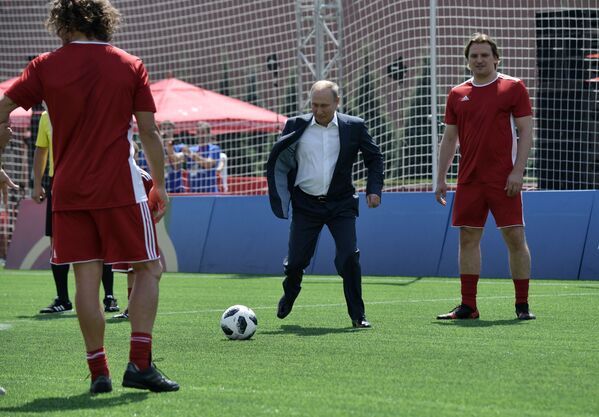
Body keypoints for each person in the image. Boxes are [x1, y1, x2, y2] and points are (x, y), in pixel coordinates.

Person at [0, 0, 178, 394]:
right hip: (118, 187)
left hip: (68, 190)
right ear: (102, 21)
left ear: (62, 24)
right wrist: (161, 184)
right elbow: (148, 132)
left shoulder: (44, 65)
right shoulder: (130, 64)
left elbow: (2, 111)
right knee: (148, 269)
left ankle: (99, 371)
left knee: (86, 279)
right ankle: (140, 365)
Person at [266, 80, 384, 328]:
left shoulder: (354, 127)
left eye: (325, 105)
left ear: (337, 103)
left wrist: (374, 190)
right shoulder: (295, 125)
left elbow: (374, 158)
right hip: (305, 204)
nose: (319, 110)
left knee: (349, 257)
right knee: (297, 261)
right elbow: (281, 158)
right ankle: (290, 292)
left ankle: (358, 315)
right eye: (315, 105)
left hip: (341, 204)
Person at [435, 33, 535, 321]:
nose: (479, 60)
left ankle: (522, 305)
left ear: (496, 58)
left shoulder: (513, 87)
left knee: (515, 237)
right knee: (467, 238)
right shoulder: (457, 94)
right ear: (467, 61)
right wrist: (441, 178)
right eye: (474, 56)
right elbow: (449, 138)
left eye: (484, 55)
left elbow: (526, 131)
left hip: (504, 180)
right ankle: (469, 306)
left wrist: (518, 171)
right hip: (469, 180)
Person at [32, 109, 120, 314]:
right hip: (60, 183)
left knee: (101, 238)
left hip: (92, 180)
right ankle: (63, 298)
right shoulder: (46, 117)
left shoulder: (86, 108)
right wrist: (37, 184)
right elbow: (41, 150)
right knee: (56, 241)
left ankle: (109, 296)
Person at [112, 168, 154, 320]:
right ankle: (131, 308)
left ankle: (140, 308)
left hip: (139, 228)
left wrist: (148, 223)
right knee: (131, 270)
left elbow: (153, 203)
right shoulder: (115, 174)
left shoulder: (143, 177)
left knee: (143, 269)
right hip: (124, 227)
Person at [184, 121, 221, 192]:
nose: (201, 135)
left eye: (203, 132)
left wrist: (192, 155)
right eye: (199, 132)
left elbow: (208, 164)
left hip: (210, 192)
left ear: (208, 134)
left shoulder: (214, 148)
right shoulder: (191, 149)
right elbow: (177, 161)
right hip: (193, 192)